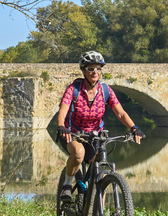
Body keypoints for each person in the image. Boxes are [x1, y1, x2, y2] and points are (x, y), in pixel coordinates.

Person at [56, 51, 142, 204]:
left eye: (98, 69)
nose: (95, 72)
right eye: (90, 69)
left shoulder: (105, 91)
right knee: (78, 153)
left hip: (95, 135)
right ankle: (67, 185)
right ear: (83, 71)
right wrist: (61, 126)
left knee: (100, 173)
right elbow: (63, 108)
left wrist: (134, 128)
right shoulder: (74, 89)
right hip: (72, 134)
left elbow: (120, 113)